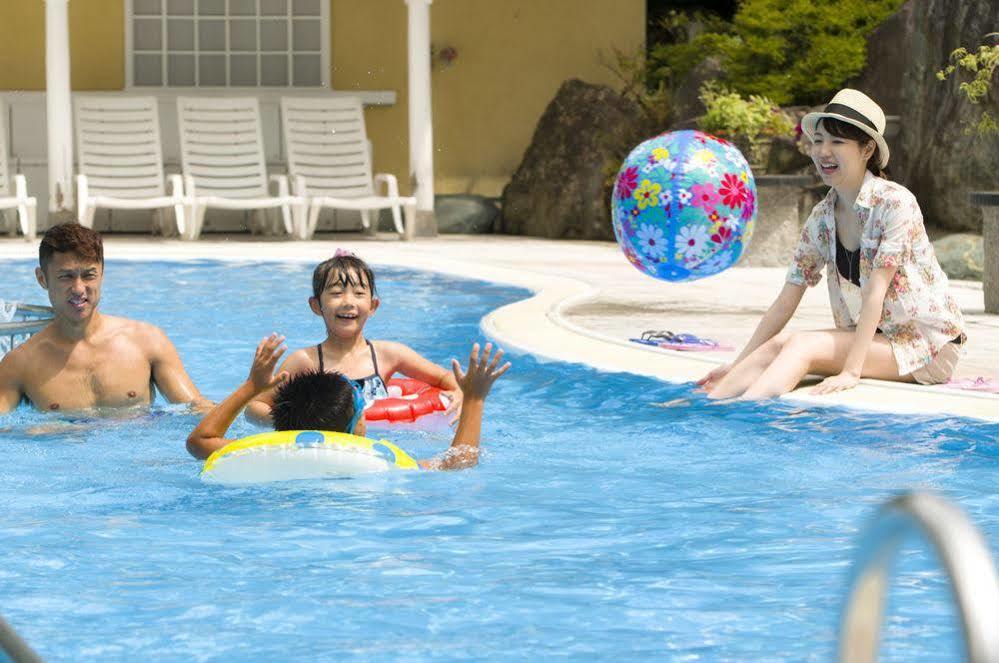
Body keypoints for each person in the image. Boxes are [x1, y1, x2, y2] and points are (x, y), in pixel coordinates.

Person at [697, 89, 965, 400]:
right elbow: (786, 300)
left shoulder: (895, 203)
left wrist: (851, 371)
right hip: (875, 340)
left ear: (866, 149)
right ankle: (711, 408)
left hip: (926, 347)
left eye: (837, 142)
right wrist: (737, 366)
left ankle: (746, 416)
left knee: (802, 345)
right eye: (819, 140)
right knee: (779, 345)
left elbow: (876, 292)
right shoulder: (822, 217)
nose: (823, 151)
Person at [187, 334, 510, 470]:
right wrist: (476, 399)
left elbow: (199, 441)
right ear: (357, 427)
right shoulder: (381, 462)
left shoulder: (258, 450)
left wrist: (252, 386)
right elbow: (460, 462)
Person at [0, 223, 209, 413]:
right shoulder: (21, 364)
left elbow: (196, 410)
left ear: (102, 273)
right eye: (66, 277)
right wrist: (37, 433)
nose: (79, 289)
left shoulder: (147, 342)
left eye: (89, 275)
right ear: (42, 279)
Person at [246, 251, 464, 425]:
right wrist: (298, 421)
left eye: (359, 293)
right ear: (316, 306)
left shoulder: (389, 354)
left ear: (373, 306)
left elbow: (446, 378)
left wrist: (461, 394)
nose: (348, 302)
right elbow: (255, 407)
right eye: (336, 293)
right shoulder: (305, 361)